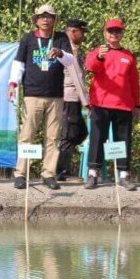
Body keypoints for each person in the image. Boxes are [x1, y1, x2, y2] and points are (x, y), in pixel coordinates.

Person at [7, 4, 74, 190]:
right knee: (27, 135)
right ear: (36, 20)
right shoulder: (28, 38)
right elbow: (19, 64)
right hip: (32, 94)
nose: (46, 19)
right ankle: (21, 174)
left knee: (53, 137)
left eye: (49, 16)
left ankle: (48, 174)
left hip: (56, 96)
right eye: (42, 16)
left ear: (54, 20)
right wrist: (13, 84)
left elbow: (71, 61)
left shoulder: (61, 38)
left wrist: (60, 53)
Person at [84, 19, 140, 190]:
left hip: (123, 104)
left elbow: (134, 82)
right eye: (110, 31)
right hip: (101, 103)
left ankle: (123, 175)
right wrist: (100, 56)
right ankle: (93, 174)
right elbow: (90, 66)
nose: (114, 34)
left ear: (122, 34)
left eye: (117, 31)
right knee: (97, 139)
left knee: (122, 140)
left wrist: (137, 104)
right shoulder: (96, 52)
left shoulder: (128, 55)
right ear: (105, 33)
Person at [56, 19, 89, 181]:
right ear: (74, 31)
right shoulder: (67, 51)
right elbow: (76, 78)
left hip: (75, 97)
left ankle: (58, 165)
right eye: (82, 32)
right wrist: (86, 101)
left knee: (81, 132)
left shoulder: (75, 50)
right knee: (68, 134)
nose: (83, 36)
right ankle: (62, 172)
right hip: (69, 96)